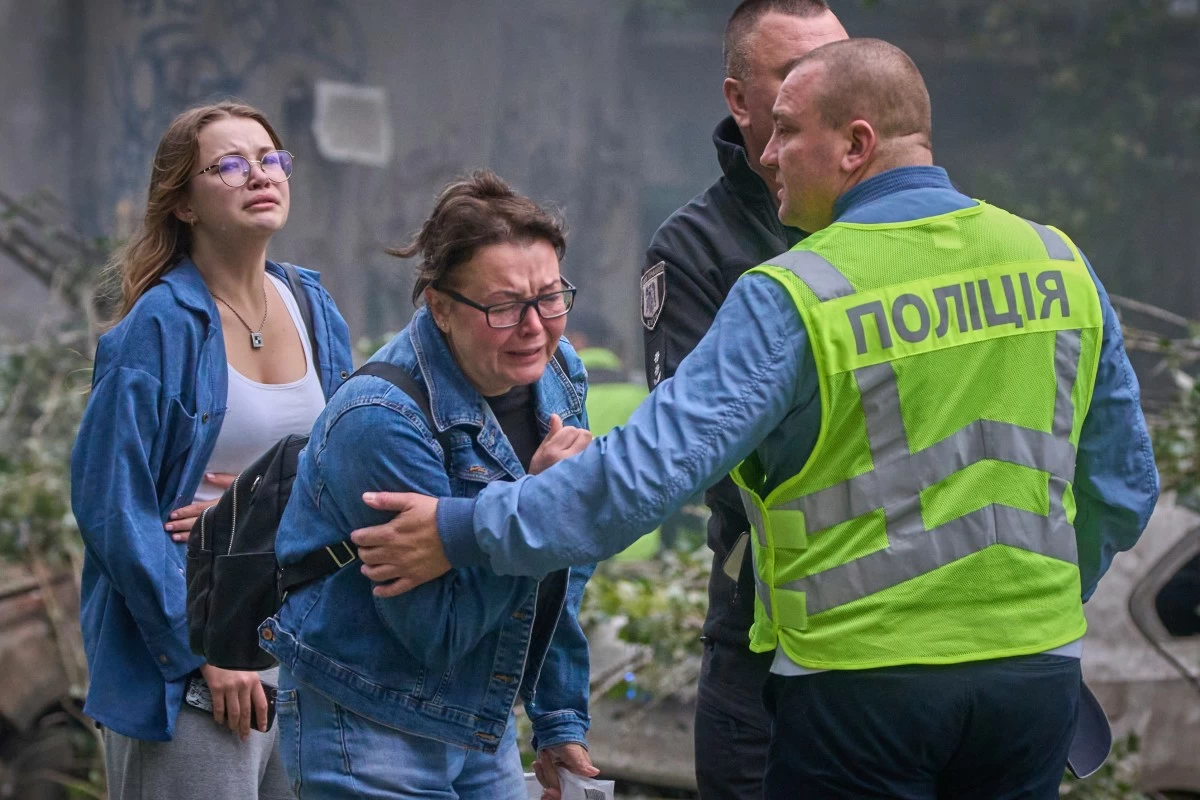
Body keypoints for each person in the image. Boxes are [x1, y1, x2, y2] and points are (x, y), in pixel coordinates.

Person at [348, 40, 1161, 799]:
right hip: (1036, 684)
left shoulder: (799, 293)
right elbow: (1125, 488)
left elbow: (643, 476)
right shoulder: (1059, 263)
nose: (766, 156)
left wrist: (463, 530)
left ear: (856, 145)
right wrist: (1034, 608)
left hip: (862, 691)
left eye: (786, 133)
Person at [257, 170, 599, 800]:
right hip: (367, 717)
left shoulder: (559, 375)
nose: (535, 327)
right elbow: (437, 632)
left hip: (478, 717)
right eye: (503, 306)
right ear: (440, 306)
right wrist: (536, 504)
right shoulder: (381, 418)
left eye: (551, 297)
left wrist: (558, 715)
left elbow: (564, 563)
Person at [71, 101, 354, 799]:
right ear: (185, 203)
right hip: (194, 669)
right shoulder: (156, 329)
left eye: (269, 158)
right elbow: (112, 506)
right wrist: (205, 648)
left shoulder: (313, 307)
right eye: (229, 164)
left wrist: (268, 502)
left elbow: (352, 463)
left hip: (303, 652)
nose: (259, 174)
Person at [641, 2, 845, 794]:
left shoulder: (904, 217)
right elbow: (697, 453)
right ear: (739, 98)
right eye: (794, 69)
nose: (824, 84)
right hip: (762, 629)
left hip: (908, 638)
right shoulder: (696, 247)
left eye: (839, 60)